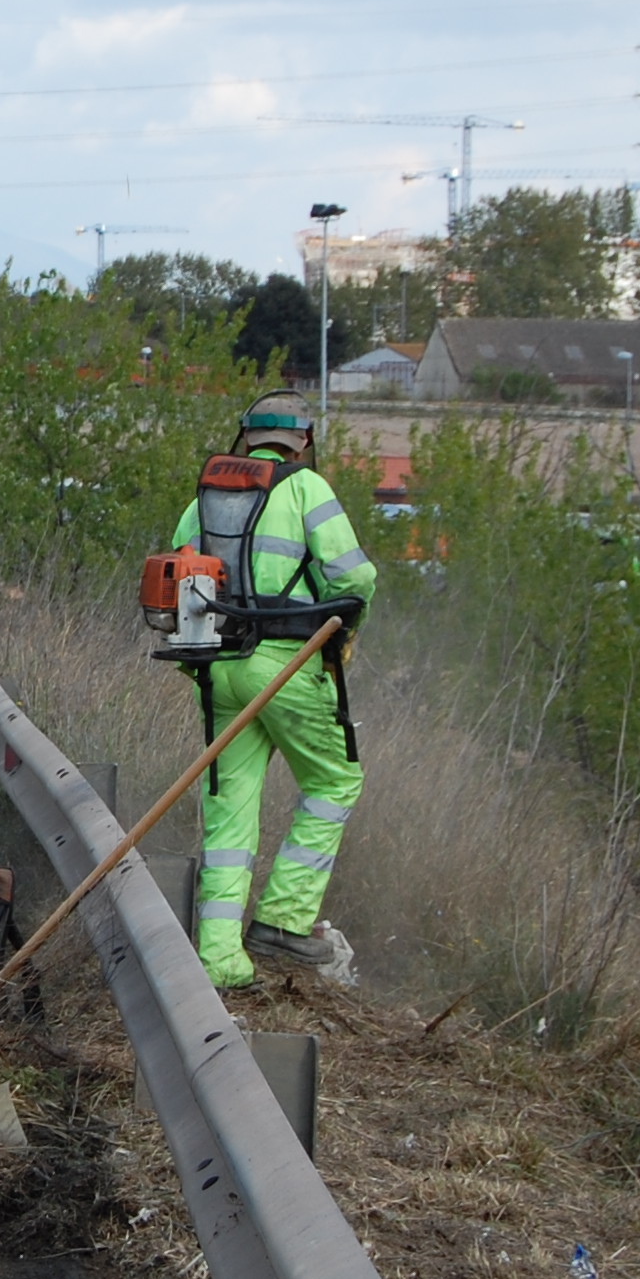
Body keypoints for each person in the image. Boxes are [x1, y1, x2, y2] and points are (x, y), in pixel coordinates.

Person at [166, 391, 376, 988]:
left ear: (247, 438)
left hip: (221, 669)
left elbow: (182, 579)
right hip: (288, 663)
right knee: (335, 779)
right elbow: (356, 576)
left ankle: (221, 961)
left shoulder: (203, 500)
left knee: (229, 812)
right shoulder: (309, 489)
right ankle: (284, 920)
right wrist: (347, 630)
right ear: (304, 441)